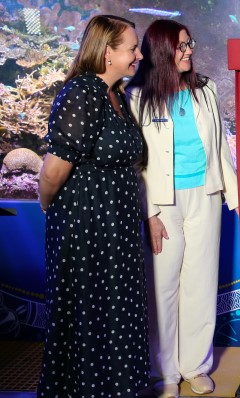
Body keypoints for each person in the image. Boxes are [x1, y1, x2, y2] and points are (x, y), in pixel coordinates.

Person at [37, 14, 149, 397]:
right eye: (132, 48)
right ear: (106, 53)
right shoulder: (82, 92)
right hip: (84, 228)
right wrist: (47, 204)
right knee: (86, 315)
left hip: (116, 226)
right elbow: (53, 171)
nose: (138, 54)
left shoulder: (117, 95)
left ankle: (119, 389)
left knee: (116, 312)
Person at [126, 19, 239, 398]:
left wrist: (234, 197)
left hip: (205, 196)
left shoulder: (206, 90)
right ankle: (165, 374)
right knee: (163, 287)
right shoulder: (137, 97)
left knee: (200, 284)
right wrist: (150, 212)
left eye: (190, 43)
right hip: (162, 203)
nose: (189, 50)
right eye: (182, 46)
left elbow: (221, 148)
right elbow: (136, 162)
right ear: (162, 51)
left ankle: (196, 366)